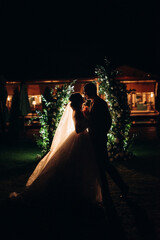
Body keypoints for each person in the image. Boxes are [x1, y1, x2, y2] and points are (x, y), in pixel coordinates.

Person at [9, 93, 103, 208]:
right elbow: (78, 129)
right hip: (80, 138)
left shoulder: (78, 111)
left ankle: (77, 192)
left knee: (80, 166)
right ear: (78, 102)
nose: (83, 101)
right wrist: (89, 121)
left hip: (83, 139)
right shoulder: (77, 112)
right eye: (81, 100)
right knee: (77, 165)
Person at [83, 83, 129, 206]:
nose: (85, 94)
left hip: (99, 139)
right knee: (101, 166)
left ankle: (121, 187)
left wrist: (101, 134)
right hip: (95, 138)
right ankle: (107, 191)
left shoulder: (100, 103)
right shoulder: (92, 103)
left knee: (104, 165)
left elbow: (107, 121)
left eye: (86, 91)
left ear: (92, 91)